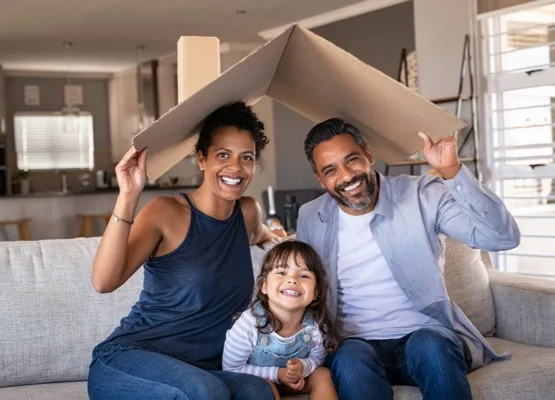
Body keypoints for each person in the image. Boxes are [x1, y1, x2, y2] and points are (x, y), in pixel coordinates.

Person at [295, 118, 520, 400]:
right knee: (349, 358)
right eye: (331, 170)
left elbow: (503, 238)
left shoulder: (422, 194)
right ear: (319, 178)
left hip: (425, 336)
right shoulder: (310, 217)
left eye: (352, 160)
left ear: (368, 154)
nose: (346, 176)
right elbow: (302, 288)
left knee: (429, 345)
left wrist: (452, 170)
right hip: (355, 346)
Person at [87, 101, 283, 400]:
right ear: (201, 159)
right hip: (132, 359)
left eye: (246, 157)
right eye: (222, 155)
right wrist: (128, 195)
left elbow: (260, 234)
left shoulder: (247, 212)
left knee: (259, 392)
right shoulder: (166, 212)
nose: (235, 167)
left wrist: (280, 238)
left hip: (202, 368)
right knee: (207, 392)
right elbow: (103, 282)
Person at [222, 240, 340, 400]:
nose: (292, 280)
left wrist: (303, 367)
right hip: (258, 383)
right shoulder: (249, 324)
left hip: (296, 381)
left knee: (323, 374)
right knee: (265, 387)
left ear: (315, 292)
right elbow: (232, 369)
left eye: (304, 275)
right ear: (264, 285)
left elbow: (318, 358)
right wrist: (278, 374)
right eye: (281, 273)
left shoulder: (315, 326)